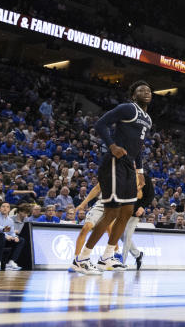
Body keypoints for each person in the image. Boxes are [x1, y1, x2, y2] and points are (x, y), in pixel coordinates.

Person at [74, 81, 153, 274]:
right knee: (111, 212)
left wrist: (140, 173)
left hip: (129, 167)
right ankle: (82, 258)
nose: (146, 92)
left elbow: (139, 149)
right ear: (133, 95)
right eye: (141, 90)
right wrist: (111, 146)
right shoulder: (128, 108)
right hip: (114, 162)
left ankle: (107, 257)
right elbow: (101, 124)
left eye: (149, 90)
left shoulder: (148, 120)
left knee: (126, 213)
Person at [121, 177, 155, 270]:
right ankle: (138, 254)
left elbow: (151, 195)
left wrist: (142, 207)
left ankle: (121, 262)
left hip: (135, 211)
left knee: (127, 236)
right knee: (120, 235)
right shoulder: (125, 174)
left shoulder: (144, 177)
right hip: (122, 210)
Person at [0, 201, 24, 271]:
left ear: (9, 209)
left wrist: (15, 237)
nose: (5, 208)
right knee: (1, 237)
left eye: (7, 207)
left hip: (7, 238)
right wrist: (6, 236)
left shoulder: (10, 220)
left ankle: (11, 262)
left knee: (21, 240)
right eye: (3, 206)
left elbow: (12, 232)